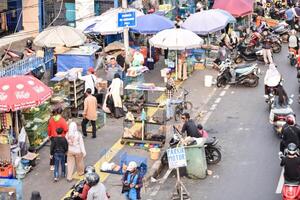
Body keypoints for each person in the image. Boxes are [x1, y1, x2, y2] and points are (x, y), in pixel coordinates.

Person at [48, 106, 68, 171]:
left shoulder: (51, 119)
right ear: (61, 113)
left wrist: (49, 135)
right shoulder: (62, 120)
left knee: (52, 151)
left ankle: (52, 165)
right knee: (64, 149)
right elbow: (66, 129)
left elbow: (49, 129)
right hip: (61, 137)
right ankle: (65, 162)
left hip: (53, 137)